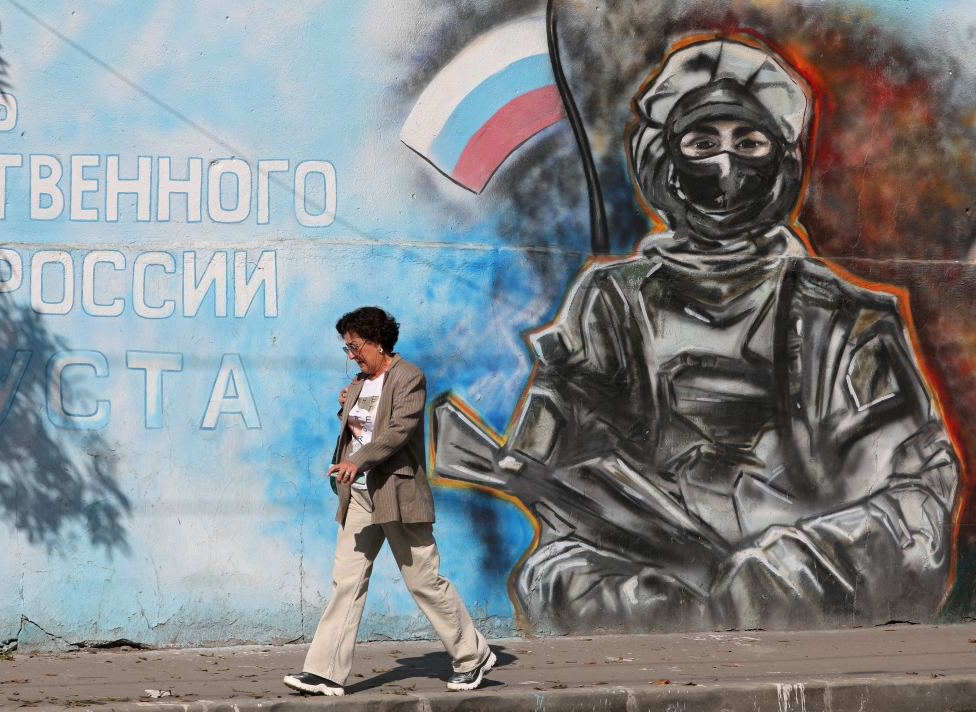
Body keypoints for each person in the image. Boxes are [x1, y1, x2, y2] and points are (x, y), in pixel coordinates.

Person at [432, 37, 959, 633]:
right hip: (640, 587)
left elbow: (916, 506)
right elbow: (552, 485)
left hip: (805, 592)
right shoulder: (610, 303)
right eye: (702, 143)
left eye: (749, 142)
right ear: (665, 160)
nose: (725, 166)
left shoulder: (847, 317)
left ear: (781, 162)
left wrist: (779, 570)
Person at [283, 306, 495, 696]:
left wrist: (356, 461)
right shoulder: (362, 381)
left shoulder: (409, 377)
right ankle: (326, 672)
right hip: (361, 497)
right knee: (346, 583)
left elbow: (397, 431)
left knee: (423, 582)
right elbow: (360, 430)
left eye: (354, 346)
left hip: (398, 495)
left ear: (377, 341)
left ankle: (472, 656)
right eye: (346, 348)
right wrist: (345, 405)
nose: (350, 355)